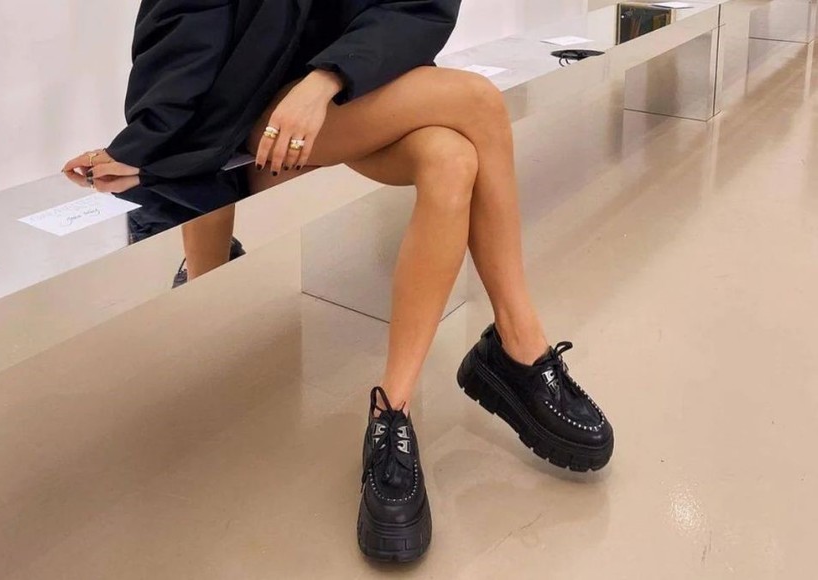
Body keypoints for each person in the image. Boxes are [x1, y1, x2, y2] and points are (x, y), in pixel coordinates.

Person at [63, 0, 614, 563]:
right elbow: (187, 18)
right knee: (478, 100)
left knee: (451, 159)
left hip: (354, 86)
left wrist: (327, 78)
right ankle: (518, 347)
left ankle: (392, 411)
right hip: (255, 104)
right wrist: (146, 141)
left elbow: (420, 8)